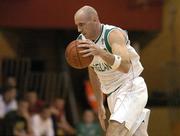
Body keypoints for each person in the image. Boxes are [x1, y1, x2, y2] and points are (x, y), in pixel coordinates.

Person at [74, 5, 150, 136]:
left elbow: (125, 66)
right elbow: (93, 71)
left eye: (82, 24)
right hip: (111, 95)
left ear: (94, 19)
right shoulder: (82, 41)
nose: (79, 29)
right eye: (77, 25)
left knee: (114, 131)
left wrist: (101, 52)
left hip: (131, 86)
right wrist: (99, 104)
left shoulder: (112, 34)